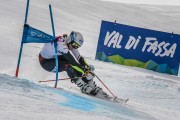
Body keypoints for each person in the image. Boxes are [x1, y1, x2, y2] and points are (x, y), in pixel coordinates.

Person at [39, 31, 109, 99]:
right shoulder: (62, 44)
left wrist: (87, 67)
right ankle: (82, 86)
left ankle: (89, 83)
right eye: (75, 45)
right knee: (68, 66)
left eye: (77, 46)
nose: (74, 47)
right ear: (70, 40)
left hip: (55, 57)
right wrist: (84, 70)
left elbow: (79, 58)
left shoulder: (69, 43)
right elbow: (73, 62)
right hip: (46, 62)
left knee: (79, 66)